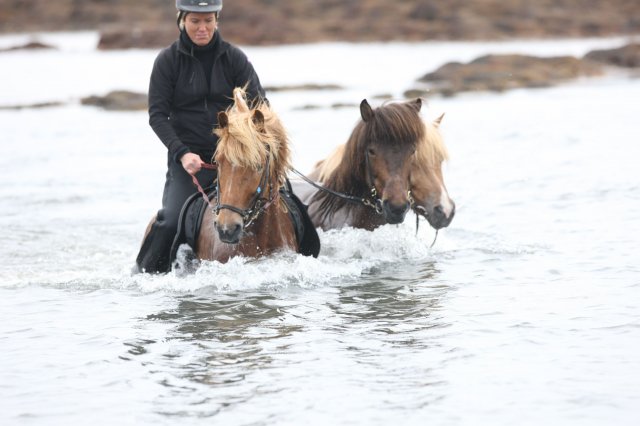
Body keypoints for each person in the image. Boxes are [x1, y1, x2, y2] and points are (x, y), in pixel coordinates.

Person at [136, 0, 266, 273]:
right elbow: (157, 116)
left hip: (235, 161)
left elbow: (260, 107)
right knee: (170, 221)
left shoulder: (235, 58)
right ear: (182, 20)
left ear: (217, 20)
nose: (202, 28)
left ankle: (313, 256)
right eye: (195, 21)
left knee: (287, 205)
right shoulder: (167, 61)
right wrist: (182, 153)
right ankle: (145, 276)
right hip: (190, 161)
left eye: (208, 20)